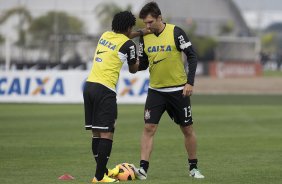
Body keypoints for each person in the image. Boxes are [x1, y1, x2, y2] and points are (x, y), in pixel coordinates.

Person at [133, 2, 204, 179]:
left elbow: (193, 56)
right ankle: (143, 169)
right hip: (155, 91)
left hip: (178, 91)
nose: (146, 26)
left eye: (149, 22)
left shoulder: (176, 32)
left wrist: (190, 83)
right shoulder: (144, 37)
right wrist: (130, 63)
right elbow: (142, 64)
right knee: (149, 127)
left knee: (187, 129)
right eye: (144, 23)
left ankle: (193, 168)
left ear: (159, 18)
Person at [83, 11, 147, 183]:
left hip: (89, 86)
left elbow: (125, 36)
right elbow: (134, 69)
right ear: (128, 27)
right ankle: (99, 177)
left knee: (97, 133)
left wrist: (141, 33)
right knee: (107, 133)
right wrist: (142, 58)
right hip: (105, 90)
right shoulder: (129, 45)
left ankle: (103, 171)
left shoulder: (105, 35)